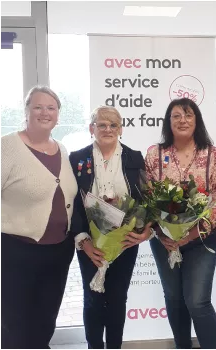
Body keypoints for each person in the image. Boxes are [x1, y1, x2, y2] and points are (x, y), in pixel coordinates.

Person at [144, 98, 216, 349]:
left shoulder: (212, 155)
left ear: (197, 120)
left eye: (188, 115)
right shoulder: (155, 154)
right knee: (174, 299)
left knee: (198, 301)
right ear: (168, 122)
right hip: (165, 242)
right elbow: (148, 197)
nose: (183, 120)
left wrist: (192, 234)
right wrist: (161, 233)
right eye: (176, 116)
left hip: (200, 240)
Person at [69, 106, 153, 349]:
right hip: (90, 244)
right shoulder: (77, 158)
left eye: (113, 125)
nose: (107, 129)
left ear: (121, 129)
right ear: (91, 128)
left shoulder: (134, 157)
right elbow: (71, 202)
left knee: (117, 300)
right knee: (93, 300)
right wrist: (83, 240)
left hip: (125, 242)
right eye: (101, 124)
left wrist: (145, 231)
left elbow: (146, 198)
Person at [1, 86, 78, 348]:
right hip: (15, 251)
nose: (44, 112)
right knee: (13, 323)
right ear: (26, 111)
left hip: (58, 251)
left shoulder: (62, 149)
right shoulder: (7, 147)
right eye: (37, 107)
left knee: (45, 321)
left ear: (58, 115)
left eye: (51, 108)